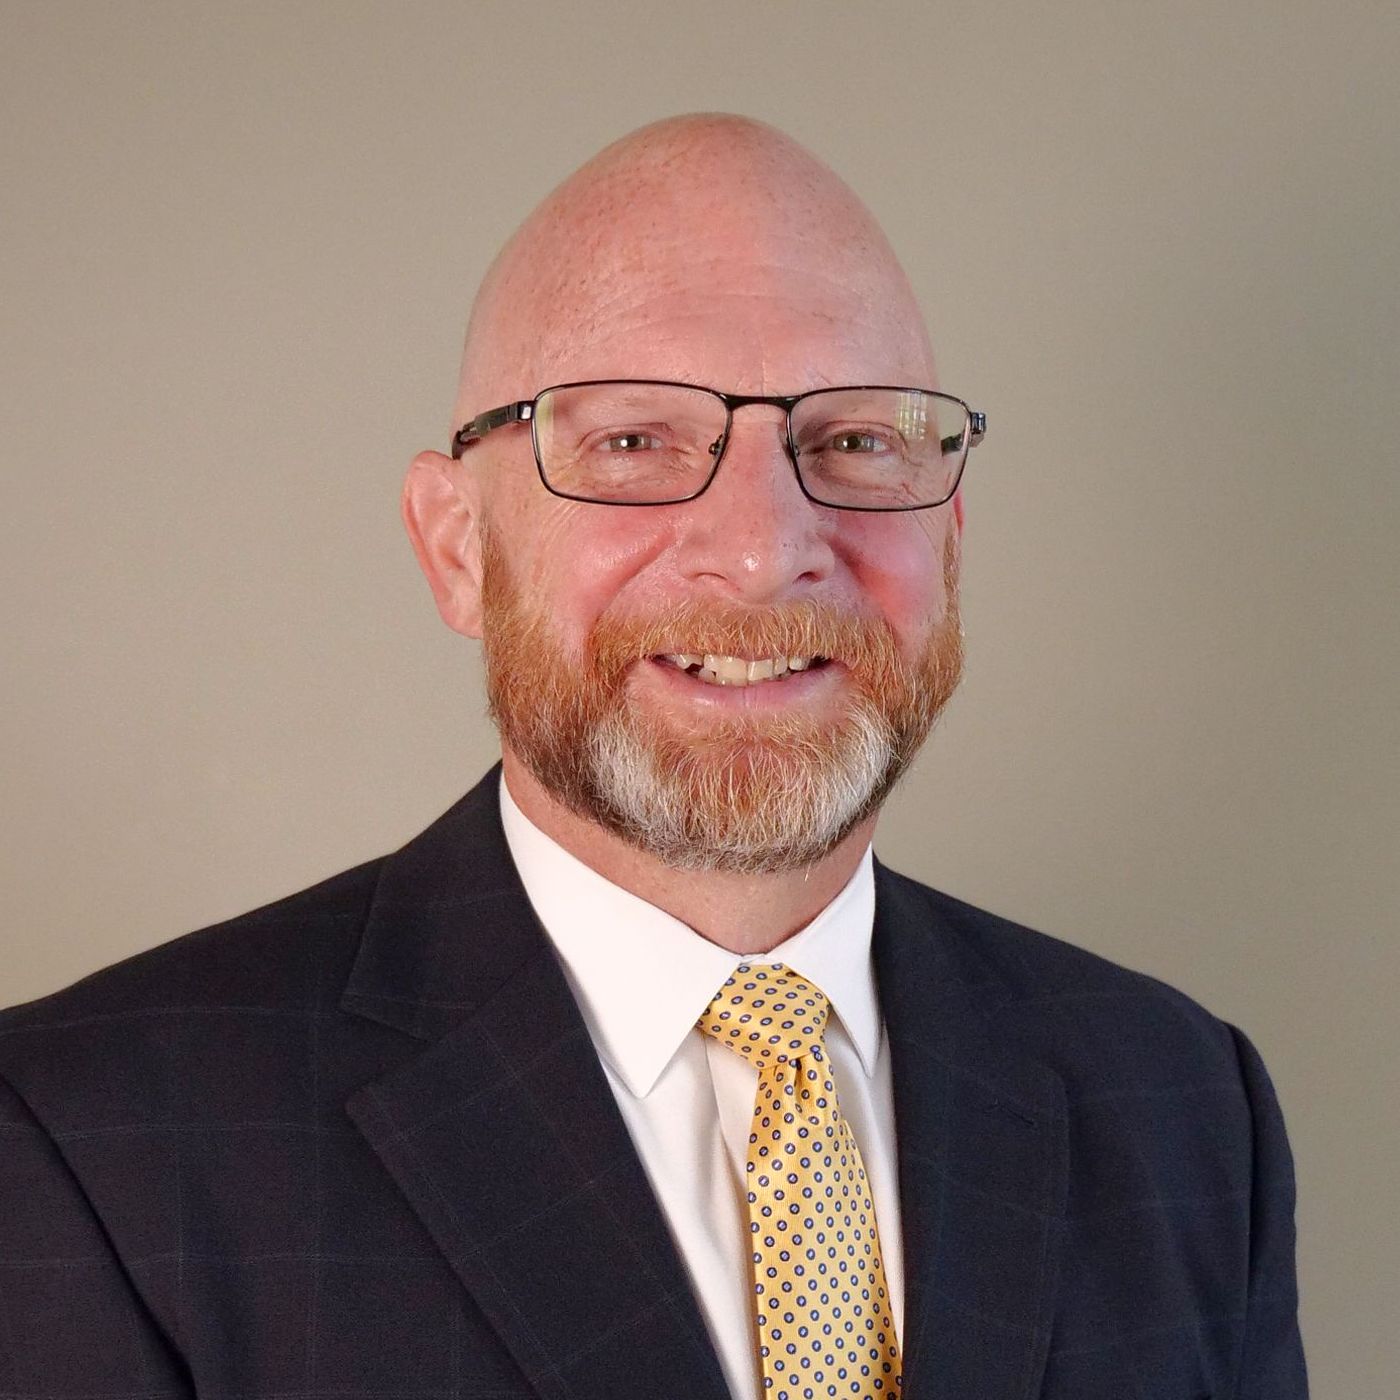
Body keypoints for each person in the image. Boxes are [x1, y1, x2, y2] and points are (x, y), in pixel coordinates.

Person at [0, 115, 1305, 1399]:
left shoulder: (1183, 1103)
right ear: (459, 547)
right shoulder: (96, 1139)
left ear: (950, 539)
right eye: (634, 442)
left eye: (853, 440)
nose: (764, 546)